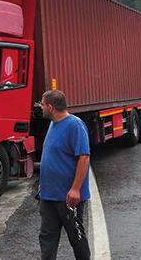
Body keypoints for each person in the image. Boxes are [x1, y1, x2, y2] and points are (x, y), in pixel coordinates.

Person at [38, 90, 91, 260]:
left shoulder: (75, 125)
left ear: (51, 107)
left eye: (43, 104)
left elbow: (84, 157)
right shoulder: (53, 124)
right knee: (47, 237)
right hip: (48, 195)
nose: (41, 107)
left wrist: (76, 189)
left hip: (68, 196)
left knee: (76, 237)